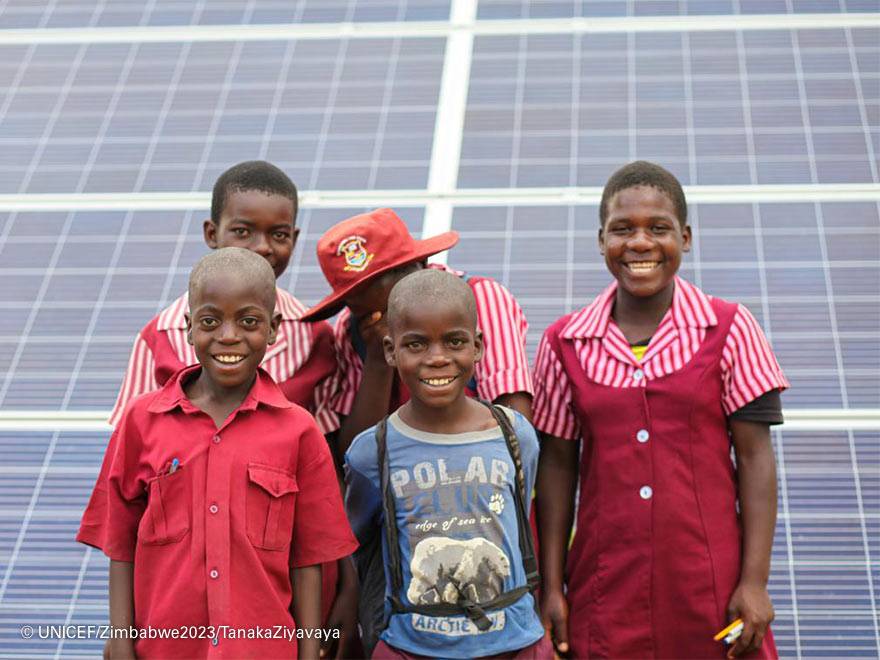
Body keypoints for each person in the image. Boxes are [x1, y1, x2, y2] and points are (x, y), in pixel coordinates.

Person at [533, 161, 788, 659]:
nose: (640, 243)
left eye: (659, 228)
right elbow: (557, 467)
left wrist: (754, 583)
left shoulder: (731, 328)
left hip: (710, 589)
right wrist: (552, 587)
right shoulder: (563, 342)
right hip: (604, 590)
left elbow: (756, 461)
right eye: (622, 229)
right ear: (601, 240)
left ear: (686, 238)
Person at [107, 161, 357, 655]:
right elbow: (126, 500)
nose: (261, 247)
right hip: (175, 613)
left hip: (269, 604)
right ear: (212, 232)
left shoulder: (317, 338)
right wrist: (121, 632)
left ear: (272, 329)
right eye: (243, 231)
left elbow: (323, 496)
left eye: (277, 234)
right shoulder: (156, 341)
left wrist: (337, 599)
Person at [344, 269, 551, 659]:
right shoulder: (373, 452)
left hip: (514, 644)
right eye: (417, 344)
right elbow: (359, 542)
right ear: (391, 351)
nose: (437, 359)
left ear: (477, 346)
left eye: (454, 342)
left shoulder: (515, 435)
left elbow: (516, 514)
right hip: (411, 645)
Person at [299, 208, 534, 458]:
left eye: (387, 307)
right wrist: (378, 361)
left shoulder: (481, 300)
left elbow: (516, 426)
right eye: (358, 306)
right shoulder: (352, 329)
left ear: (419, 265)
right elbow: (359, 457)